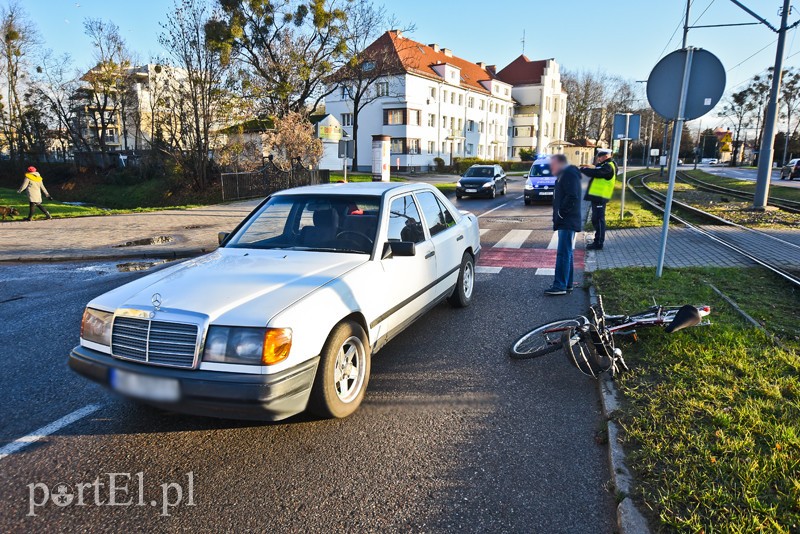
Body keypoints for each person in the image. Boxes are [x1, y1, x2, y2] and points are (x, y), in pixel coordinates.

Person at [545, 154, 582, 296]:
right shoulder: (566, 173)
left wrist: (561, 213)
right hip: (566, 220)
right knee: (567, 253)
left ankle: (560, 285)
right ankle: (567, 284)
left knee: (563, 254)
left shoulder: (568, 174)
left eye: (553, 164)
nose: (551, 167)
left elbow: (572, 196)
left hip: (567, 220)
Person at [580, 149, 617, 250]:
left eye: (600, 157)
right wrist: (591, 167)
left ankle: (598, 243)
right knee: (596, 219)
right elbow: (597, 168)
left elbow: (597, 172)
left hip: (600, 196)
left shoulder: (608, 166)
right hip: (598, 197)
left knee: (599, 220)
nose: (598, 159)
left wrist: (583, 169)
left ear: (606, 156)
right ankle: (598, 241)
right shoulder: (607, 165)